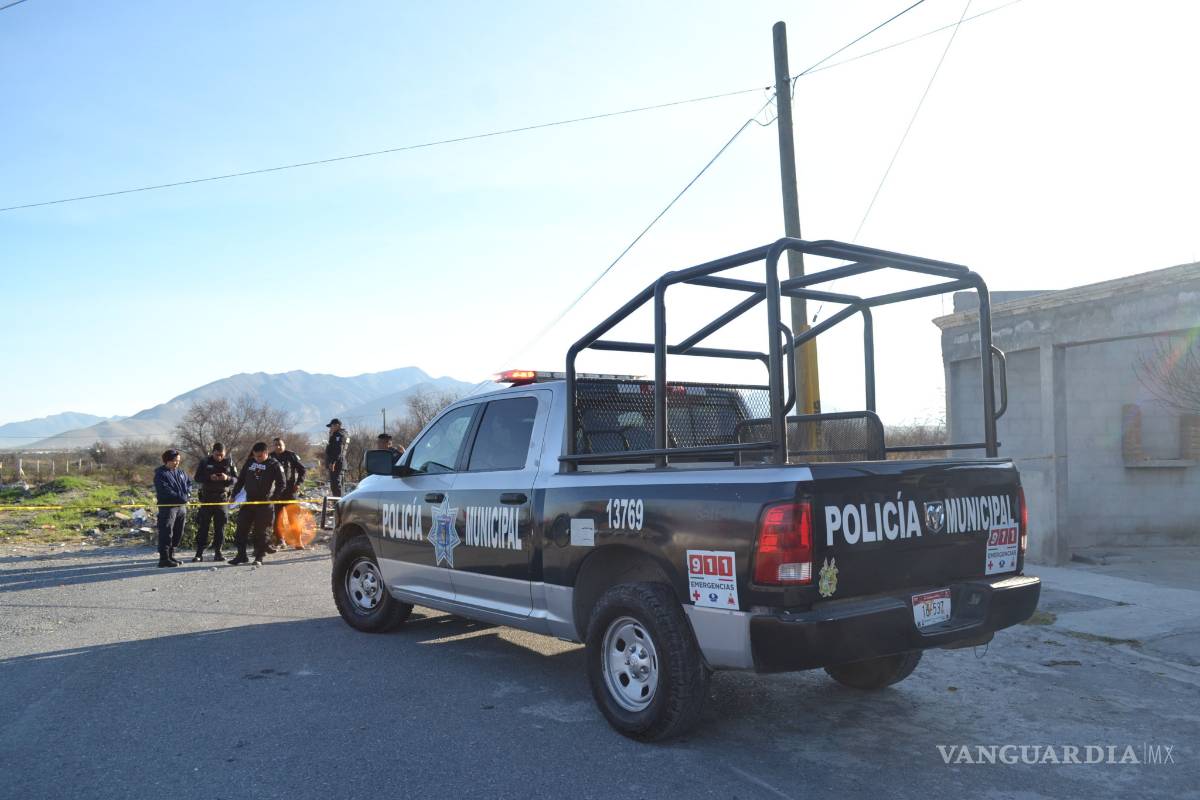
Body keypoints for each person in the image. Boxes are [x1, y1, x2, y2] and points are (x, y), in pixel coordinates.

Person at [227, 442, 286, 566]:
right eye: (255, 456)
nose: (257, 459)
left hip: (264, 503)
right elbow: (241, 480)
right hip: (249, 501)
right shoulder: (250, 463)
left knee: (261, 532)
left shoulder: (274, 464)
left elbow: (282, 483)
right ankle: (241, 555)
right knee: (241, 528)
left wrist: (274, 498)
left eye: (259, 456)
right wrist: (233, 495)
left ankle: (259, 556)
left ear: (266, 453)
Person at [191, 442, 237, 562]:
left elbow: (236, 479)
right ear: (213, 452)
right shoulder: (205, 462)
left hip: (222, 499)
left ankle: (218, 552)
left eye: (221, 455)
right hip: (207, 499)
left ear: (225, 453)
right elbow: (197, 478)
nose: (219, 457)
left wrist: (227, 478)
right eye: (217, 455)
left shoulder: (229, 462)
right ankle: (199, 553)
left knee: (220, 527)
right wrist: (209, 478)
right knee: (203, 527)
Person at [153, 449, 192, 568]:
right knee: (166, 532)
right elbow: (165, 491)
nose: (177, 463)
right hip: (168, 508)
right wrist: (181, 498)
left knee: (178, 532)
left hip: (181, 507)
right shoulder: (161, 474)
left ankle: (171, 555)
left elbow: (189, 484)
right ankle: (164, 559)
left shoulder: (181, 472)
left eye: (178, 461)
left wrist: (188, 494)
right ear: (167, 461)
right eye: (174, 461)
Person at [270, 437, 308, 549]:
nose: (277, 447)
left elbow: (303, 470)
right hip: (276, 491)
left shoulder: (291, 455)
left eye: (279, 444)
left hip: (290, 491)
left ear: (284, 445)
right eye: (275, 445)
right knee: (277, 517)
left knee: (293, 517)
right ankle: (280, 540)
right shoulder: (270, 457)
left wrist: (299, 483)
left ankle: (298, 540)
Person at [325, 418, 348, 496]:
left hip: (337, 464)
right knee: (338, 485)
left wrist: (333, 462)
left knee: (335, 485)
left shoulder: (338, 435)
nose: (330, 429)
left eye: (331, 426)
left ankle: (338, 505)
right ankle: (339, 504)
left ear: (337, 426)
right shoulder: (343, 434)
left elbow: (338, 450)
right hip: (340, 463)